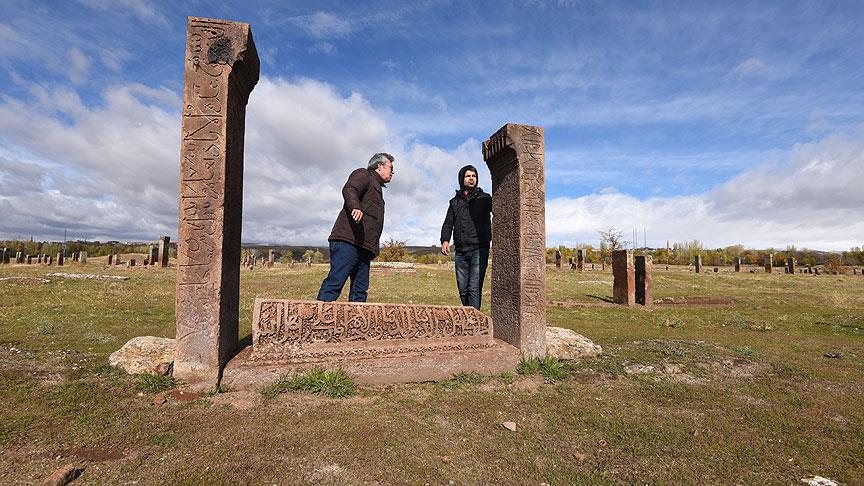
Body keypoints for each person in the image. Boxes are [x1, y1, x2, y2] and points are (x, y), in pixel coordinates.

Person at [316, 153, 395, 302]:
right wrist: (355, 207)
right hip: (348, 240)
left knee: (360, 291)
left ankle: (356, 324)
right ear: (379, 166)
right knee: (335, 282)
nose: (393, 172)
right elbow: (350, 189)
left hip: (364, 247)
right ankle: (317, 321)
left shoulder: (377, 187)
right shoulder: (364, 174)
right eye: (391, 167)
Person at [440, 164, 492, 309]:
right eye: (468, 176)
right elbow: (448, 223)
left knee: (474, 288)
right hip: (461, 251)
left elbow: (502, 213)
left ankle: (475, 324)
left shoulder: (486, 199)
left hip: (479, 249)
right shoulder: (454, 202)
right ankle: (468, 319)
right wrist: (445, 240)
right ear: (462, 179)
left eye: (473, 176)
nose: (471, 179)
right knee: (463, 290)